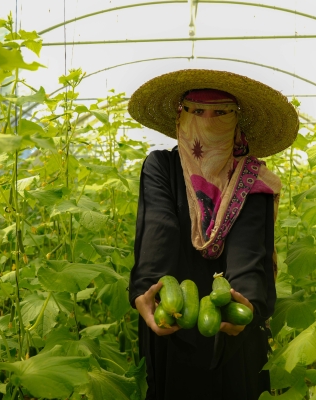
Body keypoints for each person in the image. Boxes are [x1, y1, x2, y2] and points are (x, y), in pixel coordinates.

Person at [127, 69, 299, 400]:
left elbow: (250, 250)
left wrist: (245, 304)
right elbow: (158, 229)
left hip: (233, 330)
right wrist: (146, 290)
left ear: (237, 121)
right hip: (171, 318)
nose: (207, 121)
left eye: (220, 112)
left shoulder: (253, 179)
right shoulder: (161, 167)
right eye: (195, 110)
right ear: (181, 116)